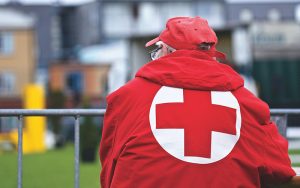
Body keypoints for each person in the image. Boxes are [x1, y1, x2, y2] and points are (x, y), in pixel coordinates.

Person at [99, 16, 299, 188]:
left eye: (156, 51)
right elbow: (279, 168)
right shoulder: (247, 103)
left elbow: (109, 169)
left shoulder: (128, 97)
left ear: (167, 51)